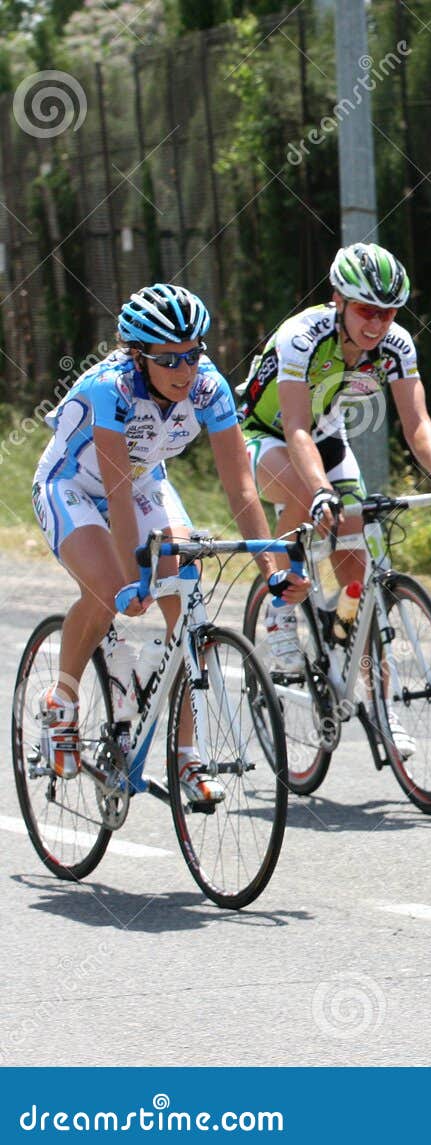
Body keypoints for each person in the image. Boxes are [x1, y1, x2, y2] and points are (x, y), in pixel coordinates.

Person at [32, 284, 308, 801]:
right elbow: (113, 493)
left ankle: (186, 754)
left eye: (193, 353)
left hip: (142, 483)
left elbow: (241, 488)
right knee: (111, 592)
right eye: (169, 359)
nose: (185, 370)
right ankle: (62, 700)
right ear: (138, 356)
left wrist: (272, 569)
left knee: (186, 595)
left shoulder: (209, 387)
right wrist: (133, 578)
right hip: (72, 485)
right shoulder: (108, 390)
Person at [236, 243, 431, 753]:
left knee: (360, 580)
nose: (377, 323)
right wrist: (322, 491)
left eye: (388, 312)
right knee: (308, 490)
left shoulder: (396, 346)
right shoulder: (303, 337)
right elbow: (295, 426)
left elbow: (417, 424)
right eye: (367, 310)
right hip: (263, 434)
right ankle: (280, 604)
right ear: (338, 301)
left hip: (327, 438)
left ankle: (381, 706)